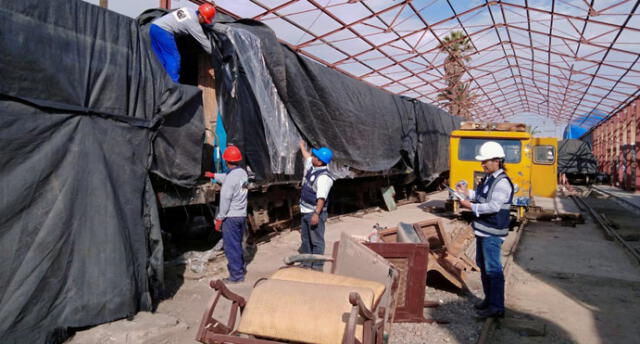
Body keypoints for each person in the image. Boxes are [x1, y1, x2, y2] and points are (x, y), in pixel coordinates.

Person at [456, 141, 514, 319]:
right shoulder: (490, 179)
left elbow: (494, 206)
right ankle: (489, 300)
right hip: (483, 231)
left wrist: (470, 206)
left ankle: (496, 307)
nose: (482, 164)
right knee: (483, 266)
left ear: (497, 160)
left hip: (492, 233)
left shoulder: (502, 182)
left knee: (493, 269)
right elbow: (482, 196)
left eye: (485, 161)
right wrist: (468, 193)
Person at [204, 145, 248, 283]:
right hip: (241, 215)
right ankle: (240, 269)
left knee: (231, 247)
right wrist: (214, 176)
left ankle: (236, 276)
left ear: (227, 162)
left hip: (230, 217)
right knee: (238, 244)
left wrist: (219, 219)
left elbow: (225, 201)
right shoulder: (242, 174)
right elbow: (228, 177)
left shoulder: (229, 180)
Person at [149, 3, 215, 82]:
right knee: (174, 59)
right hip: (164, 31)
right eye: (205, 20)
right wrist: (216, 54)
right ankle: (173, 87)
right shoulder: (193, 23)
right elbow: (204, 43)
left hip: (154, 27)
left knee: (159, 59)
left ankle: (158, 84)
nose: (204, 23)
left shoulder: (188, 9)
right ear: (201, 16)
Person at [298, 140, 335, 271]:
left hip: (314, 212)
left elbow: (321, 199)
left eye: (315, 156)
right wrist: (302, 146)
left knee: (316, 241)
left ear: (320, 161)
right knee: (306, 239)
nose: (312, 157)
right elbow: (307, 157)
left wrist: (316, 214)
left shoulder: (324, 178)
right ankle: (307, 263)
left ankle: (317, 267)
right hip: (305, 210)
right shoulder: (314, 167)